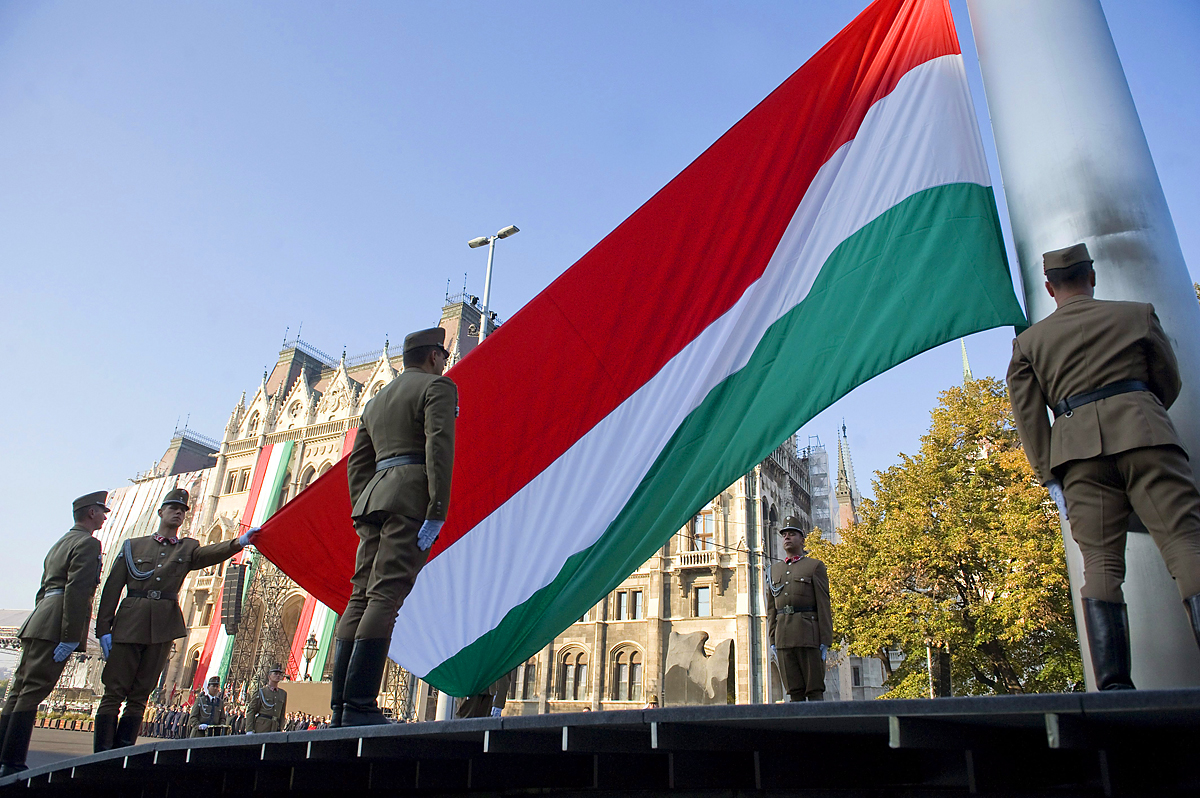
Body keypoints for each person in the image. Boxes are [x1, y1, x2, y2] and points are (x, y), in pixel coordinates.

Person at [1007, 243, 1200, 689]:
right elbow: (1168, 381)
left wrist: (1048, 473)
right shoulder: (1137, 314)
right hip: (1146, 435)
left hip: (1078, 457)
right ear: (1091, 276)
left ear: (1050, 287)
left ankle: (1114, 686)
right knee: (1187, 545)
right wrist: (1138, 410)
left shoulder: (1029, 343)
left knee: (1100, 565)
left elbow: (1029, 418)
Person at [335, 327, 457, 727]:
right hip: (409, 499)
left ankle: (340, 706)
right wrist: (436, 508)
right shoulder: (438, 389)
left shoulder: (375, 402)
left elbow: (357, 464)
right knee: (386, 596)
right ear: (433, 357)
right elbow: (438, 446)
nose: (446, 361)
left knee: (360, 596)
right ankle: (360, 705)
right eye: (444, 354)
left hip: (374, 500)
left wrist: (362, 505)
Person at [93, 488, 255, 752]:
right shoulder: (133, 546)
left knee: (140, 696)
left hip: (162, 627)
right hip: (129, 624)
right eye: (173, 508)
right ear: (161, 512)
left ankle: (120, 753)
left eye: (183, 510)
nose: (179, 512)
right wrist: (104, 630)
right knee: (113, 693)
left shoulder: (187, 547)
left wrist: (239, 542)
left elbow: (209, 554)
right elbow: (112, 590)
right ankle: (100, 754)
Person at [0, 493, 107, 776]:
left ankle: (3, 754)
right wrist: (71, 634)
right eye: (102, 512)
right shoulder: (88, 543)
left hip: (40, 618)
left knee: (19, 690)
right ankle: (12, 761)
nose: (106, 517)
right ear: (91, 513)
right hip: (57, 622)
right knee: (32, 692)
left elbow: (42, 588)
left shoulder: (60, 542)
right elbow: (78, 590)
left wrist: (40, 619)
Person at [766, 516, 832, 701]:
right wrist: (772, 638)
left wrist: (825, 640)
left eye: (792, 534)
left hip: (808, 636)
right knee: (793, 691)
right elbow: (772, 609)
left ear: (802, 539)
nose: (787, 537)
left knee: (814, 690)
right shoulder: (773, 570)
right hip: (783, 638)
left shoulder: (814, 566)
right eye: (784, 534)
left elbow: (823, 605)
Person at [245, 665, 287, 734]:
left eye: (280, 674)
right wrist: (249, 729)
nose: (278, 676)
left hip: (275, 728)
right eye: (275, 674)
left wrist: (281, 728)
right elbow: (251, 710)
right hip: (262, 727)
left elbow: (282, 713)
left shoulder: (283, 694)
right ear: (269, 676)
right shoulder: (262, 692)